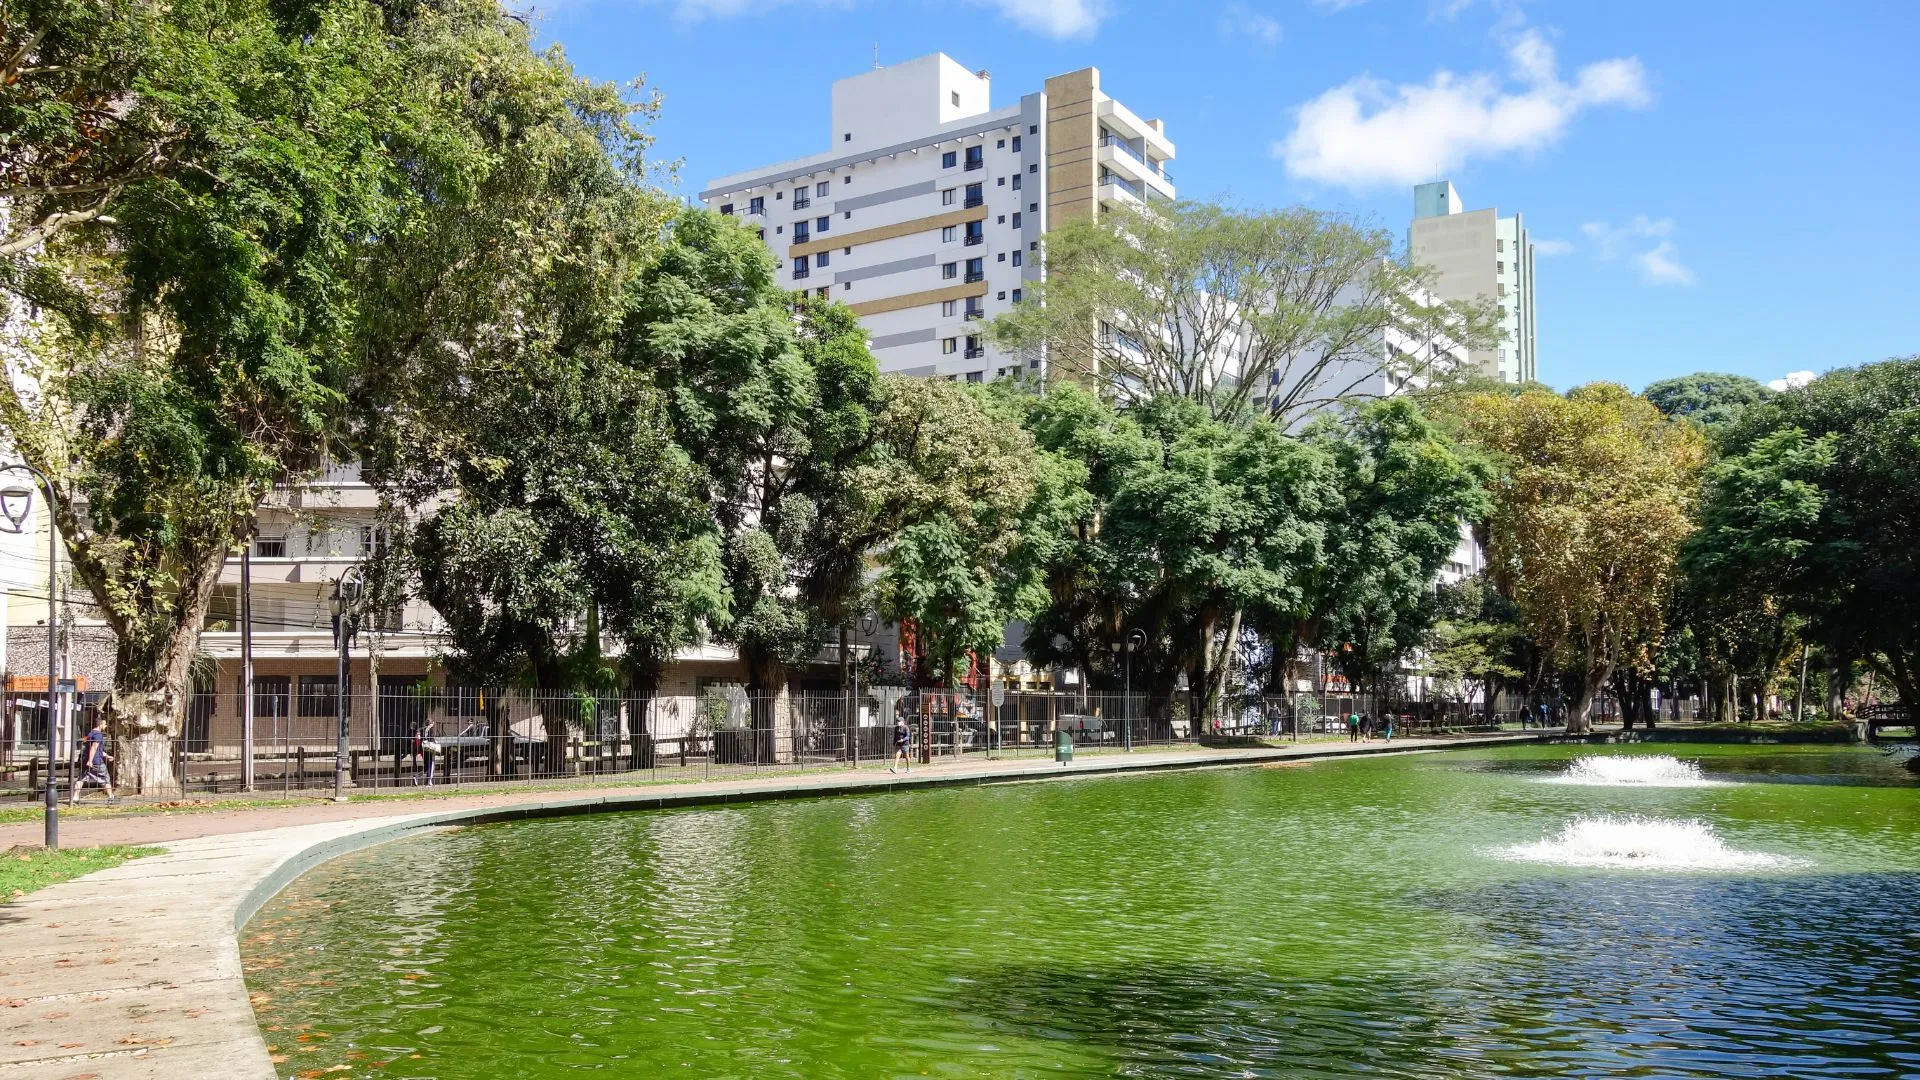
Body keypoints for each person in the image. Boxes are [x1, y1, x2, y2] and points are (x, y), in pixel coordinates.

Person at [71, 716, 115, 805]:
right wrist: (91, 760)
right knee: (105, 779)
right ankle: (111, 797)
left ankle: (75, 798)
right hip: (96, 761)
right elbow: (94, 747)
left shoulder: (90, 734)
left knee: (81, 779)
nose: (106, 726)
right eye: (105, 724)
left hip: (86, 760)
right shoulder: (98, 735)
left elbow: (98, 750)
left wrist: (107, 756)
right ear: (101, 724)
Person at [419, 718, 441, 786]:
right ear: (431, 723)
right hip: (430, 748)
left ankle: (419, 777)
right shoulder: (431, 730)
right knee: (431, 764)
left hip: (424, 748)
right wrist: (435, 741)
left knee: (426, 765)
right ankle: (429, 780)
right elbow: (431, 738)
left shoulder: (423, 729)